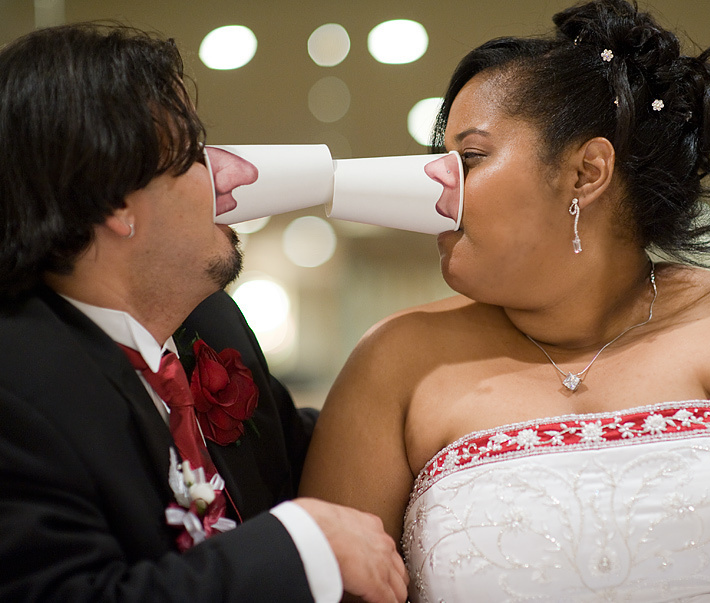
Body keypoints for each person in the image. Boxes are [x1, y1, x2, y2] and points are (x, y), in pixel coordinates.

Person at [298, 1, 710, 601]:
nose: (435, 188)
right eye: (440, 161)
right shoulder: (395, 363)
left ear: (588, 172)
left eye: (470, 157)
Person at [0, 23, 407, 602]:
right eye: (194, 155)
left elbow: (322, 455)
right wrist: (303, 547)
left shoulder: (210, 326)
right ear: (116, 201)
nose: (229, 176)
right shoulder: (15, 385)